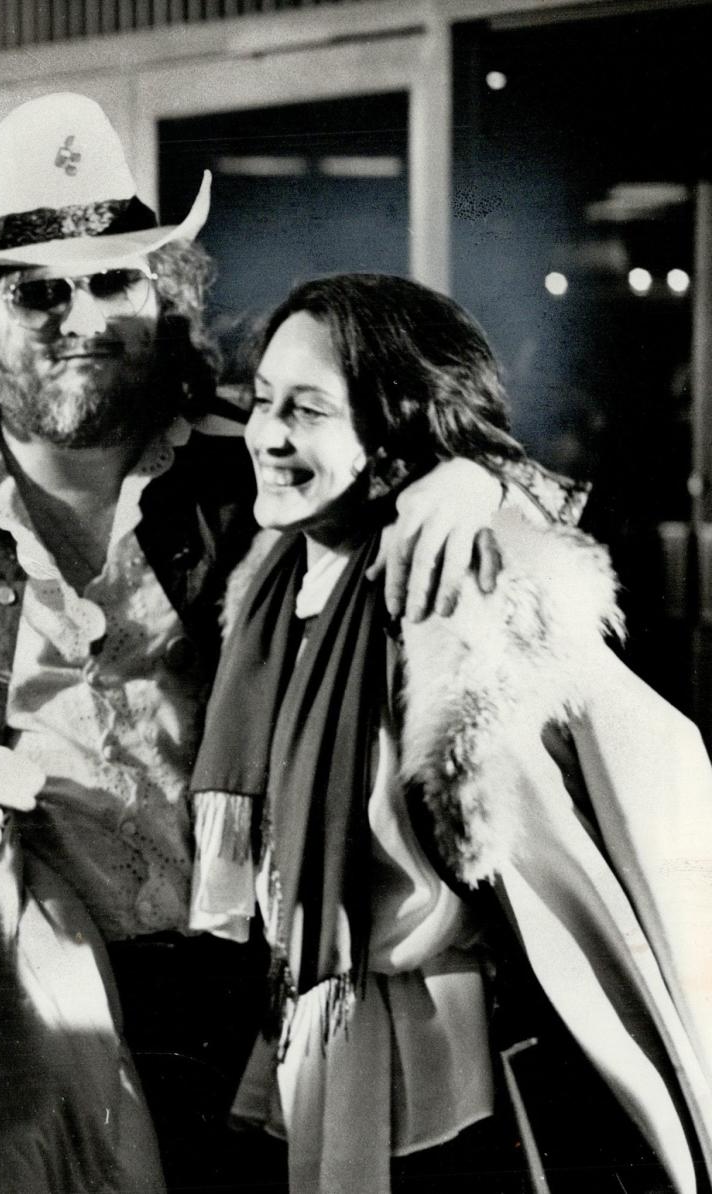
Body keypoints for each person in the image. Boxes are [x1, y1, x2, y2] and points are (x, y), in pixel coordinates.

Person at [0, 95, 582, 1192]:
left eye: (112, 281)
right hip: (11, 1028)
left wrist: (476, 484)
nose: (78, 315)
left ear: (165, 297)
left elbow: (539, 538)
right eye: (36, 289)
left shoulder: (264, 473)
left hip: (263, 1016)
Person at [190, 273, 712, 1194]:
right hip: (310, 1030)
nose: (267, 435)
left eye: (307, 409)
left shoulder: (460, 591)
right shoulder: (270, 581)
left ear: (394, 429)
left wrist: (487, 481)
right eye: (262, 401)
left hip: (456, 1059)